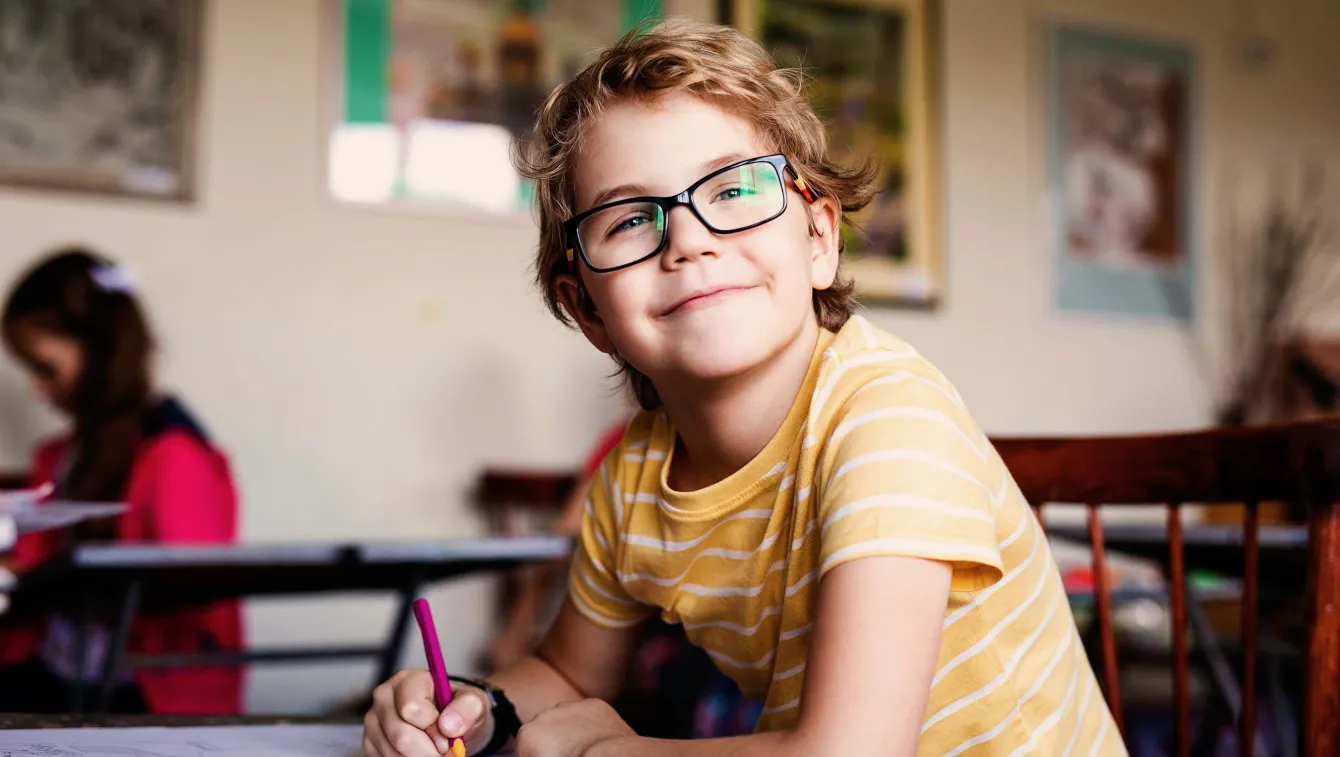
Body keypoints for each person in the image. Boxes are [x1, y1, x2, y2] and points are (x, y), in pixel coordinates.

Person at [364, 19, 1122, 757]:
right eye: (630, 219)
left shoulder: (889, 419)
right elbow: (565, 673)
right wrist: (472, 707)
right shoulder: (632, 482)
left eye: (732, 189)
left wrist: (607, 750)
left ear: (819, 238)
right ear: (587, 309)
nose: (688, 238)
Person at [0, 249, 243, 715]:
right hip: (52, 668)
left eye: (45, 367)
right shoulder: (59, 456)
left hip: (142, 686)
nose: (36, 388)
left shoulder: (174, 455)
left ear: (100, 349)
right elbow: (36, 560)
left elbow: (192, 589)